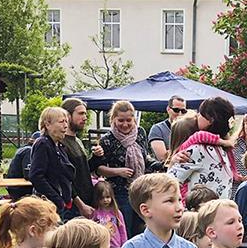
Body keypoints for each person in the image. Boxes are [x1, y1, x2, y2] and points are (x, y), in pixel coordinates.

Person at [92, 100, 159, 237]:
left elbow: (145, 157)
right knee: (125, 230)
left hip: (141, 189)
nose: (125, 124)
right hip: (120, 193)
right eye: (120, 120)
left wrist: (160, 164)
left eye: (129, 120)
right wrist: (118, 171)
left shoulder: (140, 133)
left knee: (144, 228)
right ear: (113, 119)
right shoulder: (107, 140)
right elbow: (98, 169)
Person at [168, 96, 240, 201]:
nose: (197, 115)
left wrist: (172, 163)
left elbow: (168, 182)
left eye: (200, 114)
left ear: (210, 120)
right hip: (219, 211)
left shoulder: (198, 151)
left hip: (198, 214)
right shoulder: (224, 150)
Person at [29, 107, 77, 221]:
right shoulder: (43, 144)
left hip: (60, 205)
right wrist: (56, 199)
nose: (65, 126)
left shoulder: (59, 146)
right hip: (47, 206)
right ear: (48, 124)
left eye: (66, 122)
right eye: (61, 122)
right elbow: (36, 176)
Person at [59, 98, 101, 218]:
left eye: (86, 114)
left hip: (86, 203)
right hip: (72, 207)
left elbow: (83, 171)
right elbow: (65, 179)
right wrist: (81, 205)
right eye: (81, 113)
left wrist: (97, 157)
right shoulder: (60, 142)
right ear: (67, 115)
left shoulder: (77, 141)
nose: (85, 117)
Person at [88, 180, 127, 248]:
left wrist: (124, 245)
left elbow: (122, 230)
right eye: (102, 198)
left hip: (116, 247)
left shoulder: (116, 213)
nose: (105, 200)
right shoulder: (95, 213)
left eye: (108, 197)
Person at [147, 95, 187, 162]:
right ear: (168, 109)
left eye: (183, 111)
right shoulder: (157, 129)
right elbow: (162, 158)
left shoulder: (189, 129)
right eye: (176, 110)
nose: (180, 114)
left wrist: (171, 152)